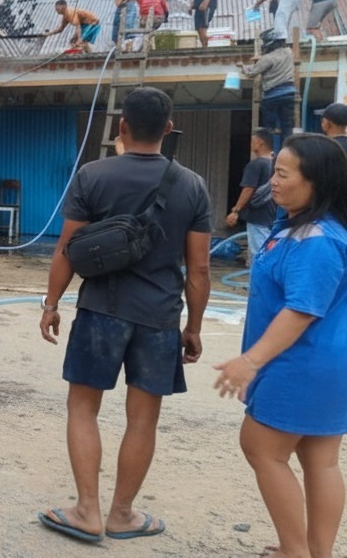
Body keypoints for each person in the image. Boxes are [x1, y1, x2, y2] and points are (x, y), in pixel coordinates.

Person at [38, 86, 212, 544]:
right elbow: (199, 268)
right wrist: (192, 328)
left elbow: (66, 250)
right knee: (142, 418)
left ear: (122, 126)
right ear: (169, 130)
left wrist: (52, 304)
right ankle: (121, 514)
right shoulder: (192, 185)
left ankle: (86, 511)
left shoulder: (93, 175)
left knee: (82, 407)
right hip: (160, 316)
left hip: (100, 310)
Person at [213, 134, 347, 558]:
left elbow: (301, 311)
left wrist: (250, 361)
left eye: (284, 174)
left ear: (317, 182)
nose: (273, 181)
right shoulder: (299, 226)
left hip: (301, 364)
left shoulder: (316, 240)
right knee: (320, 459)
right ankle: (315, 552)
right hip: (326, 364)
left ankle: (297, 552)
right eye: (275, 171)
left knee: (261, 448)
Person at [226, 128, 275, 265]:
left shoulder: (255, 165)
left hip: (257, 216)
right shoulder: (275, 163)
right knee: (268, 250)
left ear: (260, 143)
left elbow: (248, 189)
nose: (251, 144)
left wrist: (235, 210)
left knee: (258, 253)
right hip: (272, 215)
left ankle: (259, 283)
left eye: (253, 141)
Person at [242, 35, 296, 153]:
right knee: (287, 127)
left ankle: (272, 152)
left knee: (270, 129)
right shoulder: (288, 52)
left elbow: (252, 73)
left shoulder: (267, 58)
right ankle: (287, 152)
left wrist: (244, 67)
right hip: (289, 94)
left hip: (272, 96)